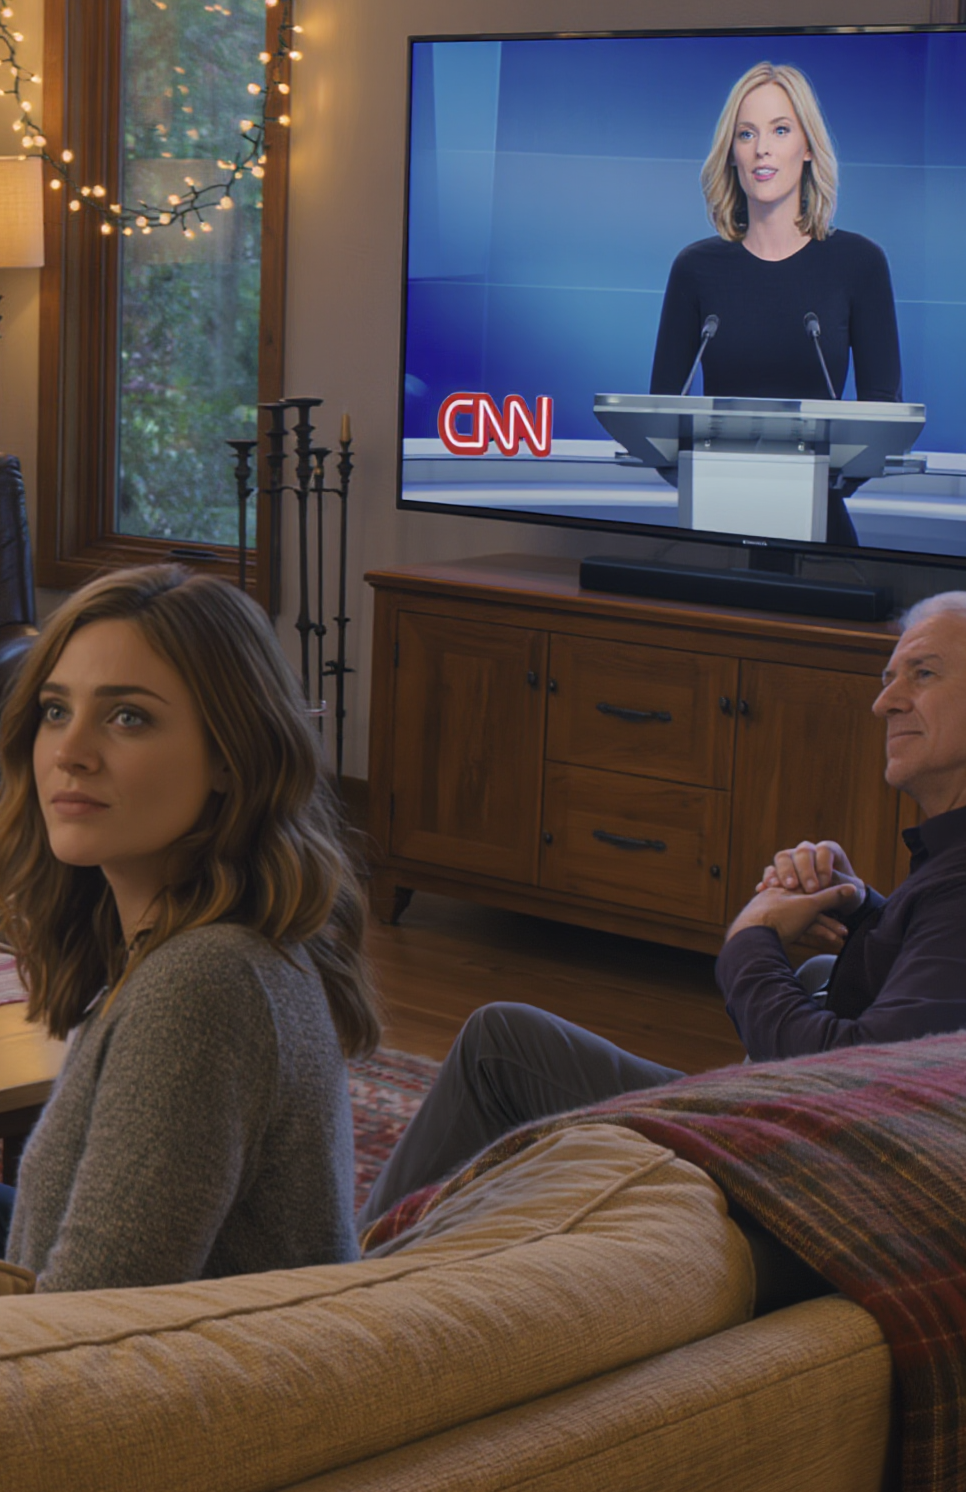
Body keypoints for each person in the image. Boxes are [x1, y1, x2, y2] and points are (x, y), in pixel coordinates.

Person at [362, 589, 966, 1227]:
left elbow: (855, 1081)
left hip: (788, 1176)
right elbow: (930, 991)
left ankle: (341, 1275)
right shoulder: (949, 861)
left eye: (922, 674)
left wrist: (750, 942)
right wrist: (861, 910)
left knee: (497, 1042)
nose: (885, 701)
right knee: (819, 977)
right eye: (888, 677)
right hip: (796, 1144)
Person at [0, 565, 379, 1291]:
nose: (70, 752)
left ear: (230, 755)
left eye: (129, 717)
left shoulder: (203, 984)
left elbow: (87, 1339)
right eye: (57, 711)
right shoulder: (202, 940)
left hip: (195, 1388)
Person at [647, 60, 901, 546]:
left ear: (807, 147)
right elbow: (661, 417)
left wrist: (817, 484)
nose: (761, 148)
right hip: (715, 531)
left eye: (780, 130)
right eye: (746, 134)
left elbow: (881, 412)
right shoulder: (694, 269)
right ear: (732, 153)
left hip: (821, 534)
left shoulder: (860, 263)